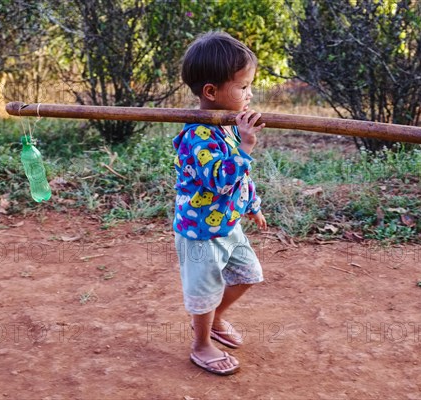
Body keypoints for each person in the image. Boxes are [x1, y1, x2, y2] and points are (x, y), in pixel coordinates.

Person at [172, 31, 267, 376]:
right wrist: (245, 147)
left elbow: (240, 180)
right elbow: (219, 180)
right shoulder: (197, 135)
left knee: (248, 275)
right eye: (243, 87)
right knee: (204, 292)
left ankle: (216, 319)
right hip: (200, 232)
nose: (250, 94)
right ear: (211, 92)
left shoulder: (227, 125)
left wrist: (252, 204)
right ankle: (201, 344)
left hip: (228, 224)